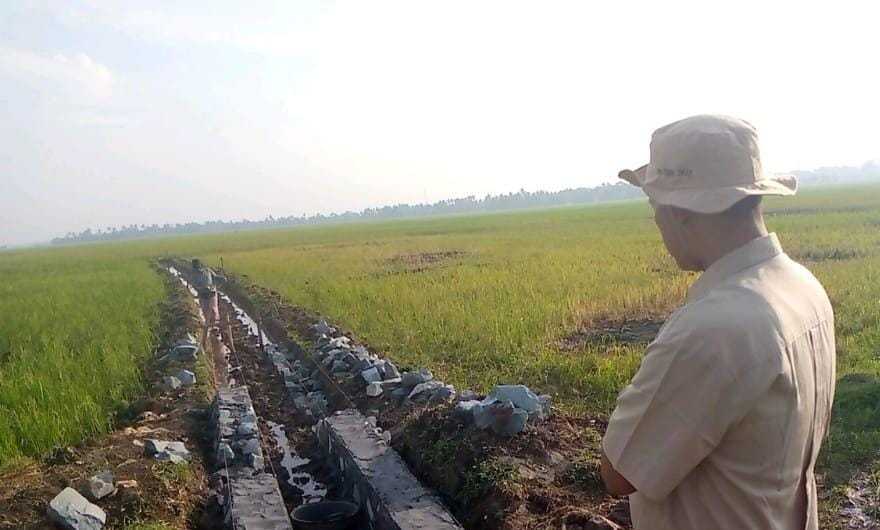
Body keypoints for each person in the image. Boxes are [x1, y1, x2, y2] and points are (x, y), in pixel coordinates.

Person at [601, 115, 836, 530]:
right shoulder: (804, 287)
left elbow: (620, 472)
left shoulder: (712, 329)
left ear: (682, 211)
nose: (656, 221)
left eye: (655, 206)